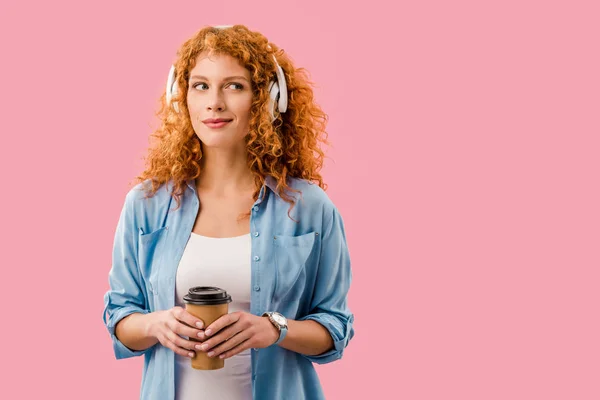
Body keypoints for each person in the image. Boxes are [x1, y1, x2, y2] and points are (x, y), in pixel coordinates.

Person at [102, 24, 354, 400]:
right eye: (200, 85)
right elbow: (120, 315)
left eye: (234, 86)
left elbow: (334, 327)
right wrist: (156, 324)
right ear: (179, 97)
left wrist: (275, 328)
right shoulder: (146, 204)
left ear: (267, 99)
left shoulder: (308, 208)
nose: (214, 102)